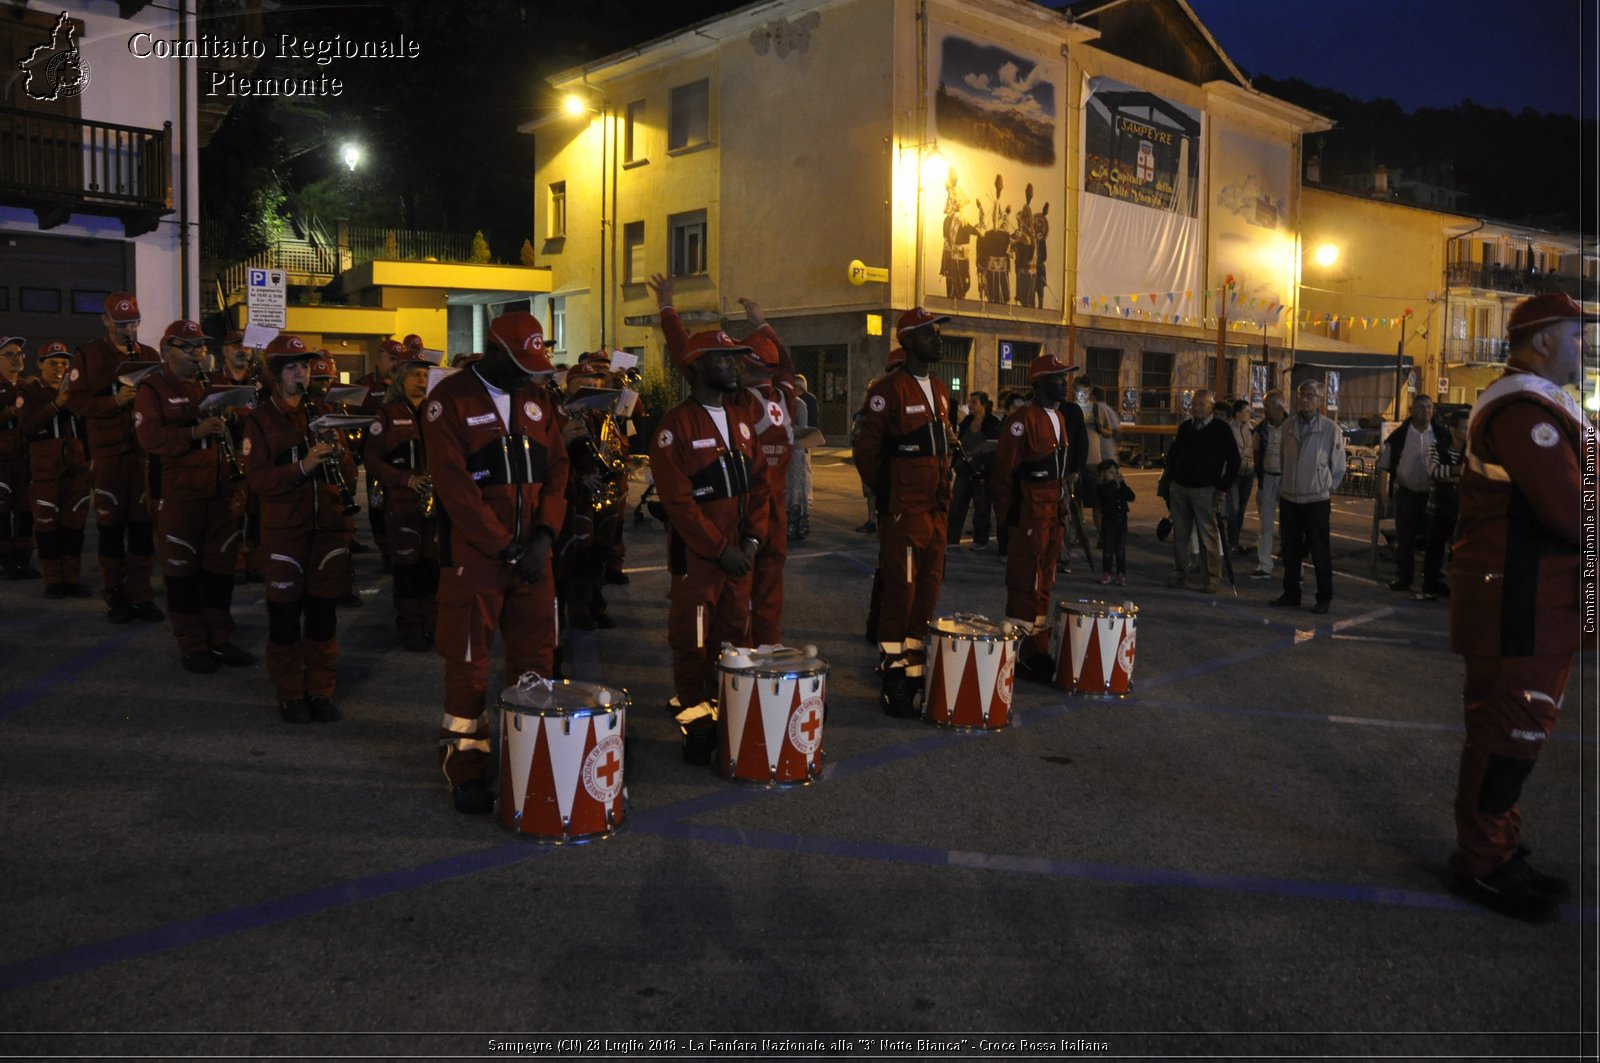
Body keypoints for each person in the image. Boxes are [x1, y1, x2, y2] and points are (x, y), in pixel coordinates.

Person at [1447, 292, 1595, 918]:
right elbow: (1570, 508)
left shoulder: (1540, 403)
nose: (1585, 349)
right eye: (1576, 337)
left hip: (1536, 599)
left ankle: (1499, 847)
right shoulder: (1523, 410)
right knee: (1511, 730)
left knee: (1519, 731)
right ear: (1541, 342)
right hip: (1520, 600)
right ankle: (1482, 863)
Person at [422, 311, 569, 813]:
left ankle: (528, 760)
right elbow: (454, 486)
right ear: (495, 350)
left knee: (535, 667)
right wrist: (504, 544)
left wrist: (544, 536)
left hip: (533, 561)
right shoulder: (449, 400)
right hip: (476, 561)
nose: (532, 372)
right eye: (522, 361)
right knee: (469, 668)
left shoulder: (537, 398)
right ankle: (464, 767)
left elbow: (557, 470)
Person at [646, 278, 766, 736]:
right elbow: (678, 504)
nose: (734, 367)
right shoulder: (674, 426)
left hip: (740, 554)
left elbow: (756, 487)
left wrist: (751, 540)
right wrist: (721, 550)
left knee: (736, 631)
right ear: (695, 367)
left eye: (736, 358)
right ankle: (693, 708)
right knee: (692, 636)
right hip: (700, 559)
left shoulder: (740, 420)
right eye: (723, 359)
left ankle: (727, 700)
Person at [243, 335, 355, 724]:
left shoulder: (323, 414)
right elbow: (257, 479)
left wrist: (338, 457)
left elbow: (349, 472)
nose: (301, 373)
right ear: (275, 375)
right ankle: (291, 692)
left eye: (305, 366)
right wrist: (302, 467)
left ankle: (321, 690)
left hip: (325, 528)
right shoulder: (259, 421)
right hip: (285, 532)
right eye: (292, 367)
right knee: (286, 618)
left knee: (323, 616)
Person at [133, 320, 256, 674]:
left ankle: (220, 638)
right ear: (166, 348)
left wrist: (233, 413)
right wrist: (194, 431)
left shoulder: (211, 384)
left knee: (219, 570)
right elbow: (150, 439)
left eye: (200, 347)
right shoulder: (152, 389)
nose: (195, 354)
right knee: (182, 572)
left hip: (218, 491)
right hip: (177, 495)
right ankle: (192, 644)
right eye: (187, 347)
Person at [853, 307, 955, 716]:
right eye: (930, 332)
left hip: (936, 509)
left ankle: (915, 661)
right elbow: (867, 450)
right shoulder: (887, 390)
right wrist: (887, 493)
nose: (938, 338)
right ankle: (893, 667)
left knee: (928, 587)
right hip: (904, 510)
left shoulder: (942, 390)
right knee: (901, 588)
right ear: (908, 340)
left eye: (937, 332)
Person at [67, 292, 163, 623]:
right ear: (106, 320)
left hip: (143, 454)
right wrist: (115, 402)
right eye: (121, 323)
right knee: (110, 530)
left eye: (133, 323)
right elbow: (76, 403)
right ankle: (115, 595)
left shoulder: (149, 355)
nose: (128, 329)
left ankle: (142, 595)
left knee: (141, 530)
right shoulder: (89, 355)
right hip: (108, 455)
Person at [990, 353, 1077, 680]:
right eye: (1058, 378)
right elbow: (1003, 474)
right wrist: (1006, 520)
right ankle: (1019, 650)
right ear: (1040, 383)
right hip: (1028, 512)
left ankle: (1037, 647)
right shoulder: (1021, 419)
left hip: (1053, 511)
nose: (1064, 383)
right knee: (1025, 581)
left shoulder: (1061, 418)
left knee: (1045, 579)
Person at [364, 347, 441, 651]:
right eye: (415, 375)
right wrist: (406, 479)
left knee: (433, 569)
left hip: (434, 502)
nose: (422, 381)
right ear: (400, 378)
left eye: (426, 375)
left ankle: (432, 623)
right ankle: (410, 625)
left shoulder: (437, 412)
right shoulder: (387, 413)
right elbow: (372, 459)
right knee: (408, 569)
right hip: (402, 502)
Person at [17, 340, 89, 597]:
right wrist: (57, 403)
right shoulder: (30, 390)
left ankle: (71, 579)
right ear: (40, 364)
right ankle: (53, 581)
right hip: (45, 469)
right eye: (53, 362)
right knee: (47, 525)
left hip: (76, 467)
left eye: (64, 363)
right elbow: (28, 425)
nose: (60, 368)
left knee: (74, 525)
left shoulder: (77, 391)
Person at [1270, 381, 1346, 615]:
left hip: (1316, 500)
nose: (1305, 399)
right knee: (1290, 549)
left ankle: (1324, 597)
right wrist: (1287, 484)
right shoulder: (1289, 426)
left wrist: (1325, 486)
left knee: (1319, 550)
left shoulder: (1330, 429)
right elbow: (1284, 458)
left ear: (1320, 400)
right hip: (1290, 498)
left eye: (1310, 395)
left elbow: (1338, 465)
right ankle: (1291, 592)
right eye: (1302, 394)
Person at [1157, 389, 1239, 594]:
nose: (1197, 407)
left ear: (1211, 407)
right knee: (1181, 535)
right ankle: (1180, 574)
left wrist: (1222, 487)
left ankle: (1212, 577)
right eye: (1194, 404)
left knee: (1207, 535)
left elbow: (1234, 460)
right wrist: (1170, 481)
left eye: (1202, 404)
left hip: (1206, 489)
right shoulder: (1185, 428)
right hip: (1181, 487)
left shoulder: (1221, 429)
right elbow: (1174, 455)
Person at [1379, 395, 1445, 594]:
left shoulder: (1441, 435)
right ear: (1412, 410)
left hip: (1433, 494)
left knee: (1434, 538)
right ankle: (1403, 577)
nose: (1425, 411)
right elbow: (1385, 465)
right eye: (1421, 407)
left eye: (1429, 407)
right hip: (1407, 493)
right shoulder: (1400, 436)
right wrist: (1384, 494)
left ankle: (1433, 579)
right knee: (1405, 538)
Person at [1418, 408, 1469, 601]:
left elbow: (1472, 475)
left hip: (1462, 508)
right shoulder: (1437, 447)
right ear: (1452, 429)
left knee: (1458, 552)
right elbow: (1433, 471)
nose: (1467, 432)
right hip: (1439, 507)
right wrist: (1458, 472)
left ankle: (1456, 588)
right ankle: (1429, 587)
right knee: (1434, 549)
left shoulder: (1472, 450)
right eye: (1464, 428)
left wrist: (1451, 475)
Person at [0, 335, 37, 580]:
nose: (17, 358)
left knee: (26, 511)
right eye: (10, 354)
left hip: (25, 459)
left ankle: (23, 560)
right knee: (1, 511)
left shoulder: (28, 386)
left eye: (20, 353)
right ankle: (4, 562)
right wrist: (12, 412)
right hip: (1, 460)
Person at [948, 390, 998, 550]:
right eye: (969, 402)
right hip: (964, 470)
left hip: (981, 472)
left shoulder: (991, 422)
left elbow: (993, 446)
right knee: (957, 505)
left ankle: (980, 539)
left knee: (981, 507)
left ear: (983, 404)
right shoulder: (967, 420)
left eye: (973, 402)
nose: (970, 405)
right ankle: (952, 537)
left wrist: (981, 461)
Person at [1250, 390, 1287, 579]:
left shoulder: (1292, 427)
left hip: (1287, 479)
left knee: (1289, 526)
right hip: (1268, 477)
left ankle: (1294, 567)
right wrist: (1260, 480)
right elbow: (1257, 454)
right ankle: (1264, 565)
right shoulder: (1261, 429)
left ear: (1279, 407)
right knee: (1265, 525)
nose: (1264, 410)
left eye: (1267, 406)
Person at [787, 373, 817, 541]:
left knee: (797, 488)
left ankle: (798, 522)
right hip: (787, 450)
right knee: (789, 489)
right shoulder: (784, 403)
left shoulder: (800, 404)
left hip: (797, 449)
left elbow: (804, 428)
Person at [1095, 459, 1134, 586]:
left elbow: (1131, 496)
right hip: (1108, 523)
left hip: (1121, 522)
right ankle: (1107, 572)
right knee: (1108, 550)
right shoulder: (1102, 488)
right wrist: (1116, 484)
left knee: (1120, 550)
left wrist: (1122, 484)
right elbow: (1107, 495)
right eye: (1111, 472)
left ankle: (1121, 574)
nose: (1115, 475)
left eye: (1116, 472)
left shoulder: (1120, 485)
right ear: (1103, 474)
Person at [1225, 398, 1255, 555]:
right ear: (1237, 414)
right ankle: (1231, 543)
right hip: (1234, 474)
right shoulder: (1230, 429)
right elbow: (1234, 452)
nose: (1249, 413)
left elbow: (1254, 449)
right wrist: (1246, 452)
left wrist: (1246, 452)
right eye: (1246, 411)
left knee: (1242, 508)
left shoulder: (1251, 428)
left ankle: (1235, 542)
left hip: (1249, 473)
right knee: (1234, 508)